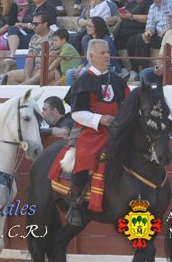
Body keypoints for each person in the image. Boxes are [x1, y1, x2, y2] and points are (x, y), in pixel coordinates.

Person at [63, 39, 129, 228]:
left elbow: (128, 105)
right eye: (103, 53)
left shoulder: (118, 80)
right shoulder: (83, 81)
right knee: (84, 159)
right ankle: (75, 203)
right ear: (91, 56)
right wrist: (100, 119)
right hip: (93, 132)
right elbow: (76, 113)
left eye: (108, 52)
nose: (107, 56)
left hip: (118, 130)